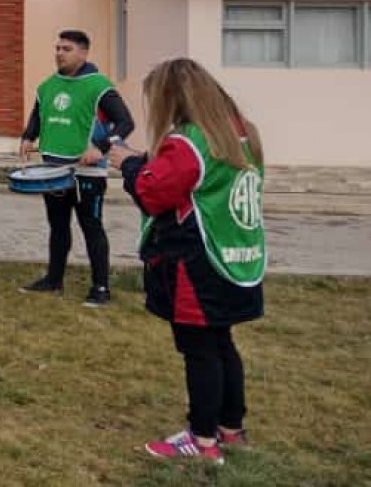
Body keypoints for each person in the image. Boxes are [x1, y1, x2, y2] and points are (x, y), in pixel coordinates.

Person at [107, 58, 265, 464]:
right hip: (235, 259)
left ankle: (202, 439)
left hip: (197, 264)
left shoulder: (189, 141)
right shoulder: (240, 133)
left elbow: (153, 191)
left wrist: (126, 163)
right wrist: (146, 160)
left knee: (199, 350)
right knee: (222, 343)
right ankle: (231, 430)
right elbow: (190, 178)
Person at [18, 29, 134, 306]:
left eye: (66, 49)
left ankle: (101, 289)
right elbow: (38, 114)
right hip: (52, 169)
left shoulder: (99, 86)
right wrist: (27, 137)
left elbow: (126, 123)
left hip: (86, 173)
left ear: (83, 53)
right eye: (57, 48)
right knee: (57, 227)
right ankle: (53, 280)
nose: (59, 53)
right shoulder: (47, 86)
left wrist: (101, 149)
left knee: (91, 227)